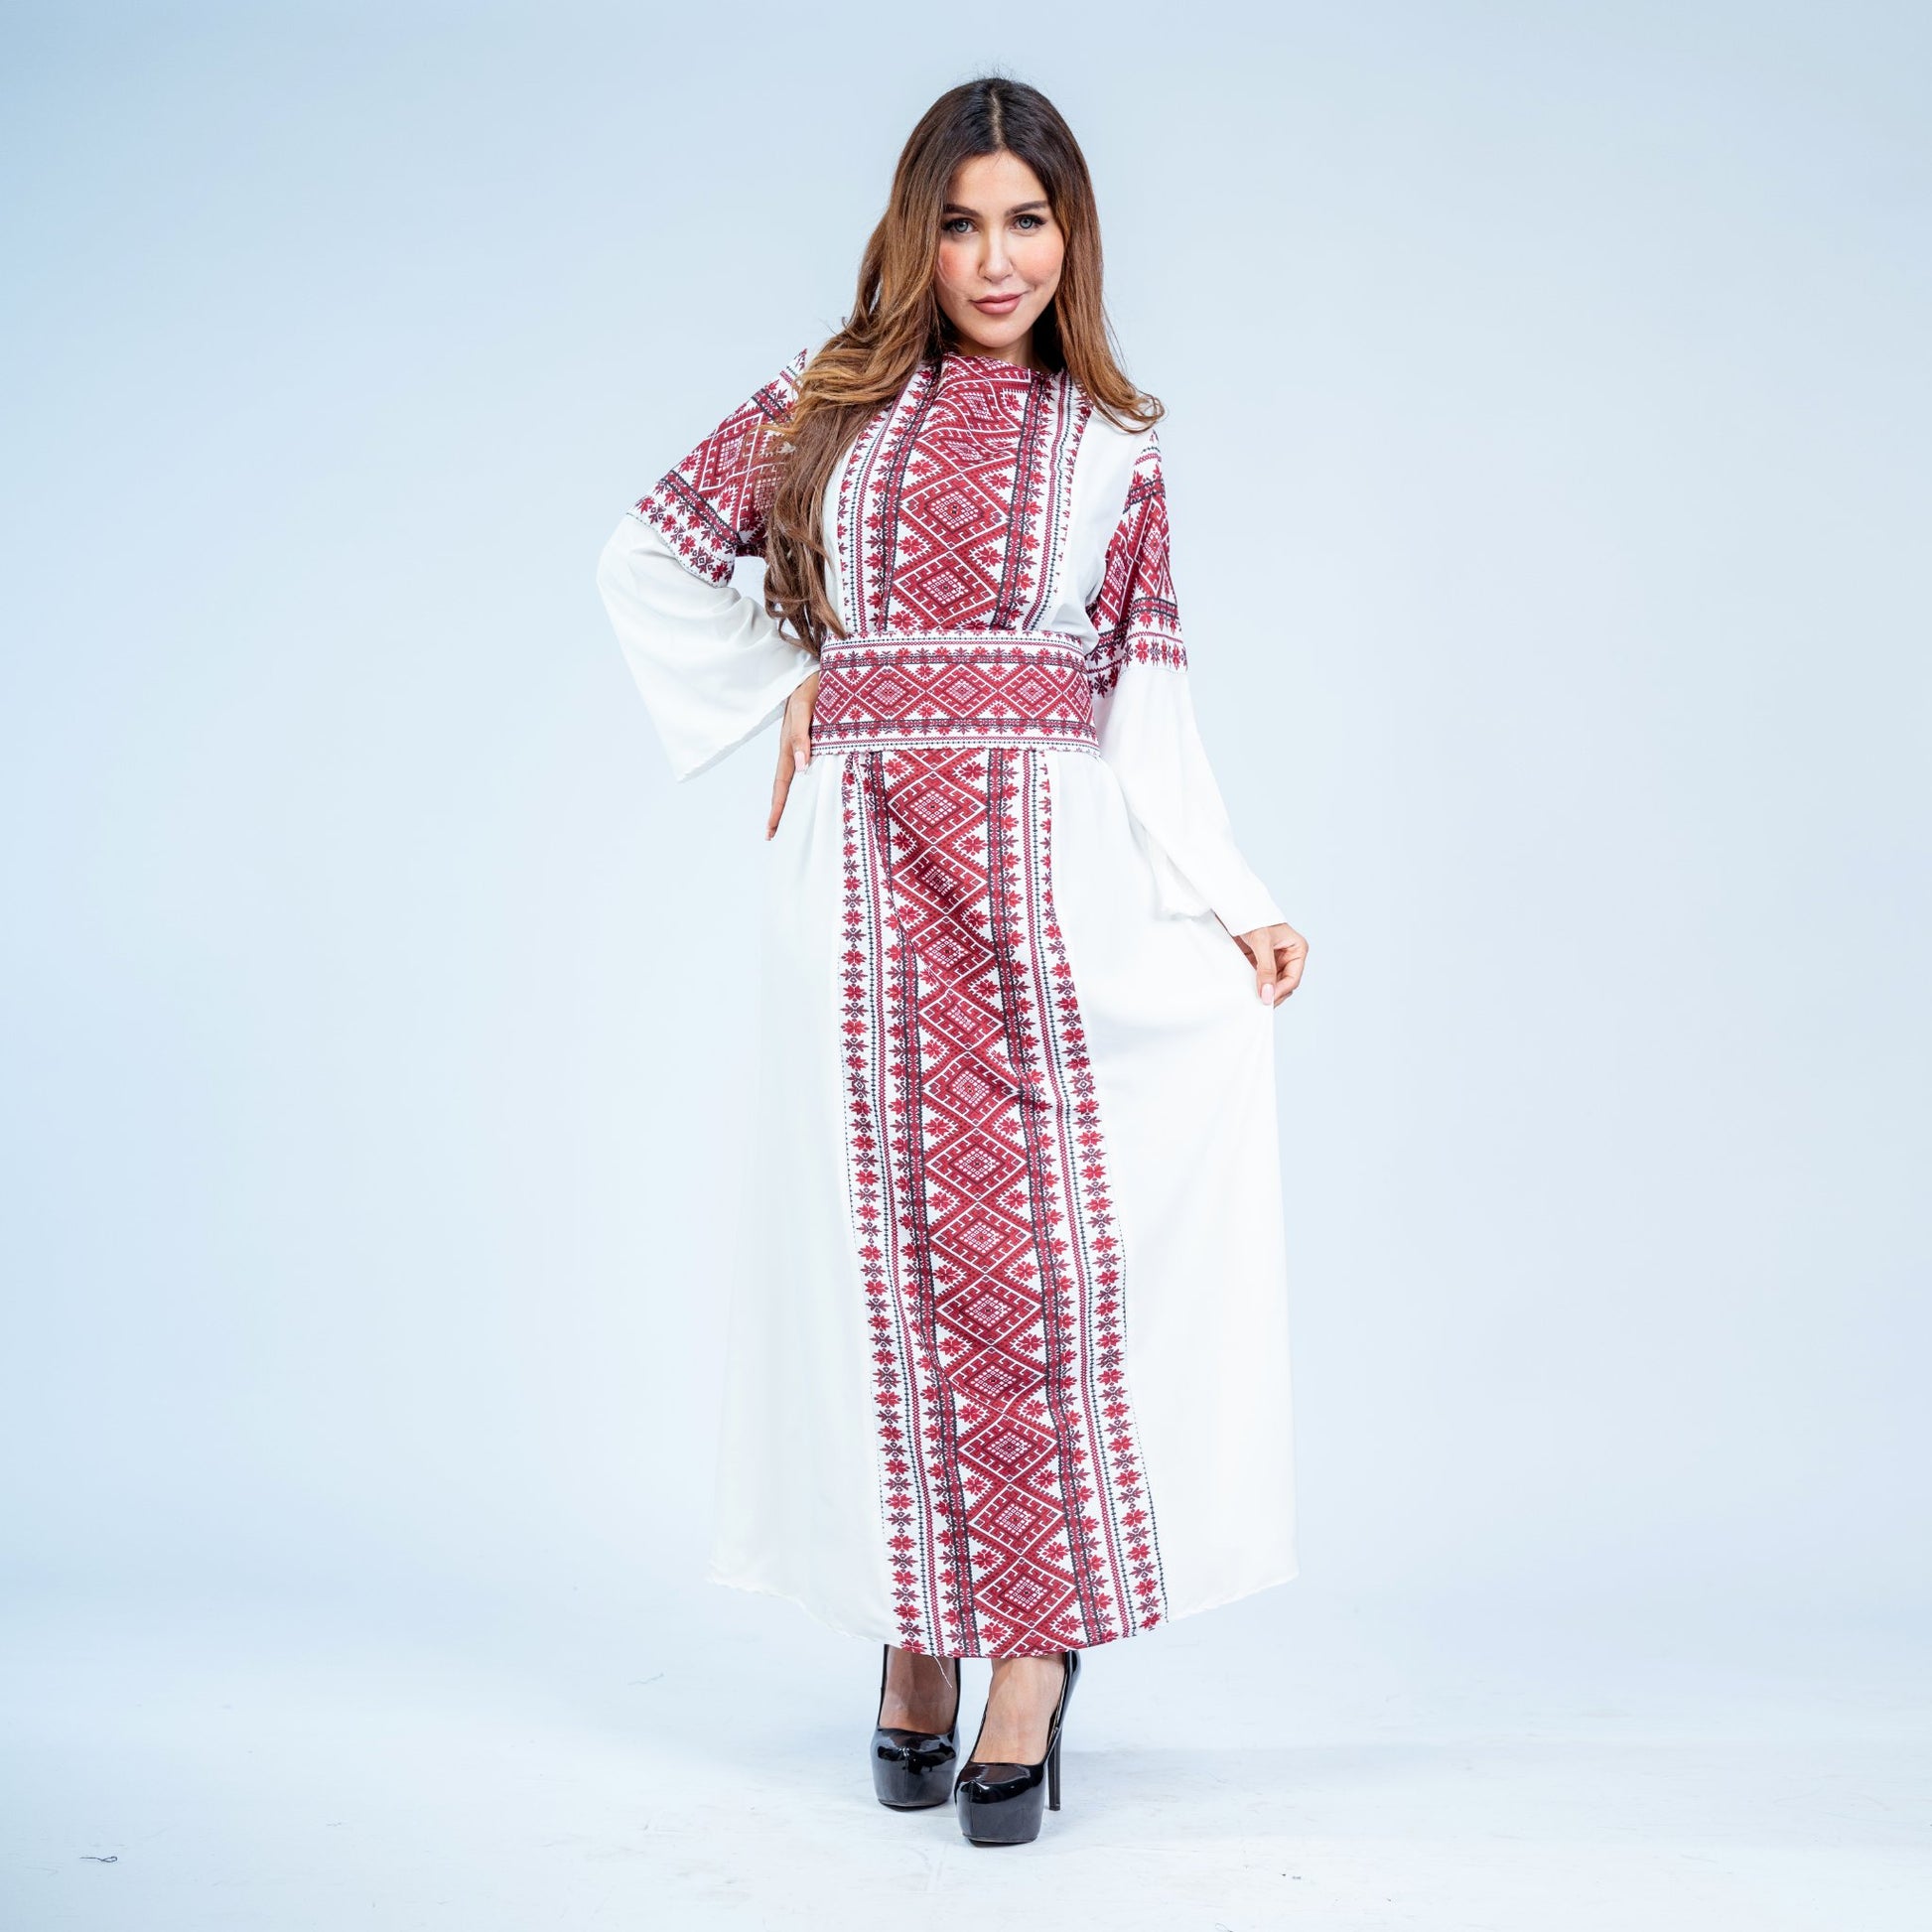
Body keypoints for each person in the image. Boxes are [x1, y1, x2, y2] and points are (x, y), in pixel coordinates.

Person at [596, 73, 1309, 1847]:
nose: (997, 259)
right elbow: (644, 558)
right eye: (964, 222)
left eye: (1029, 222)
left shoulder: (1115, 443)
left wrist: (1230, 894)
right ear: (915, 234)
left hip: (1051, 885)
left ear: (1073, 237)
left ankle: (1030, 1655)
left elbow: (1145, 694)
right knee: (878, 1259)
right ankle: (908, 1627)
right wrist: (790, 682)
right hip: (852, 887)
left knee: (1039, 1267)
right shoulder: (820, 405)